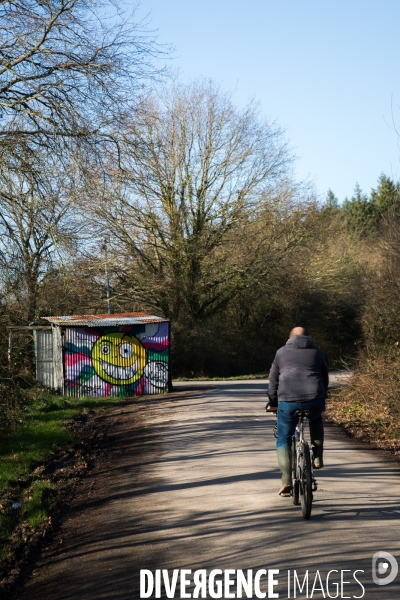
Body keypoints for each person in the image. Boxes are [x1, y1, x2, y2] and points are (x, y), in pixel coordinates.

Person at [266, 326, 329, 496]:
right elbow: (325, 377)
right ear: (307, 337)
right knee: (315, 419)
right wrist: (323, 394)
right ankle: (317, 457)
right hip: (314, 398)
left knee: (284, 437)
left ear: (289, 338)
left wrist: (272, 401)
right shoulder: (317, 352)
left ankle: (286, 480)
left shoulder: (281, 353)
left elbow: (273, 381)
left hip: (288, 400)